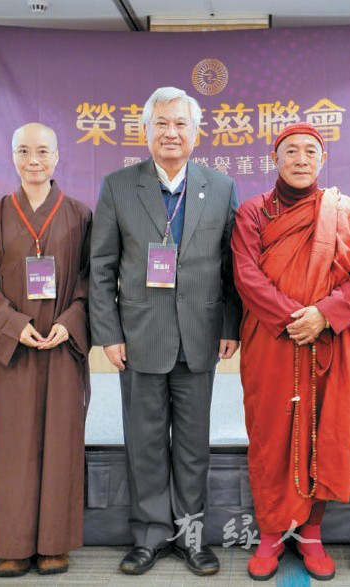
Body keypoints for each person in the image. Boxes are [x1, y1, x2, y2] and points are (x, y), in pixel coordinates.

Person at [89, 86, 240, 577]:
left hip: (199, 337)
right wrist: (109, 333)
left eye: (180, 124)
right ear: (145, 132)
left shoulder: (220, 186)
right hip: (139, 338)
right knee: (145, 444)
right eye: (161, 124)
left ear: (196, 133)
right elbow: (101, 266)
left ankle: (192, 537)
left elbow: (231, 266)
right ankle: (150, 536)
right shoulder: (118, 186)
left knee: (194, 447)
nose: (171, 133)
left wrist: (230, 324)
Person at [231, 122, 350, 581]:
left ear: (322, 159)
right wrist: (296, 318)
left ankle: (311, 533)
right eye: (290, 150)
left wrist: (324, 315)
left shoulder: (345, 211)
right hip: (271, 339)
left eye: (310, 151)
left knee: (325, 431)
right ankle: (272, 532)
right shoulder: (253, 212)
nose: (300, 159)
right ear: (275, 159)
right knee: (270, 436)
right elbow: (246, 275)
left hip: (329, 338)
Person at [0, 123, 92, 578]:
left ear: (57, 156)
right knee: (15, 443)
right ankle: (14, 543)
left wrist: (70, 323)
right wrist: (13, 326)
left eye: (42, 151)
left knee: (61, 441)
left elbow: (93, 280)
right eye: (23, 151)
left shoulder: (80, 215)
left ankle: (55, 542)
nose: (33, 160)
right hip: (14, 350)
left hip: (62, 347)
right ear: (12, 156)